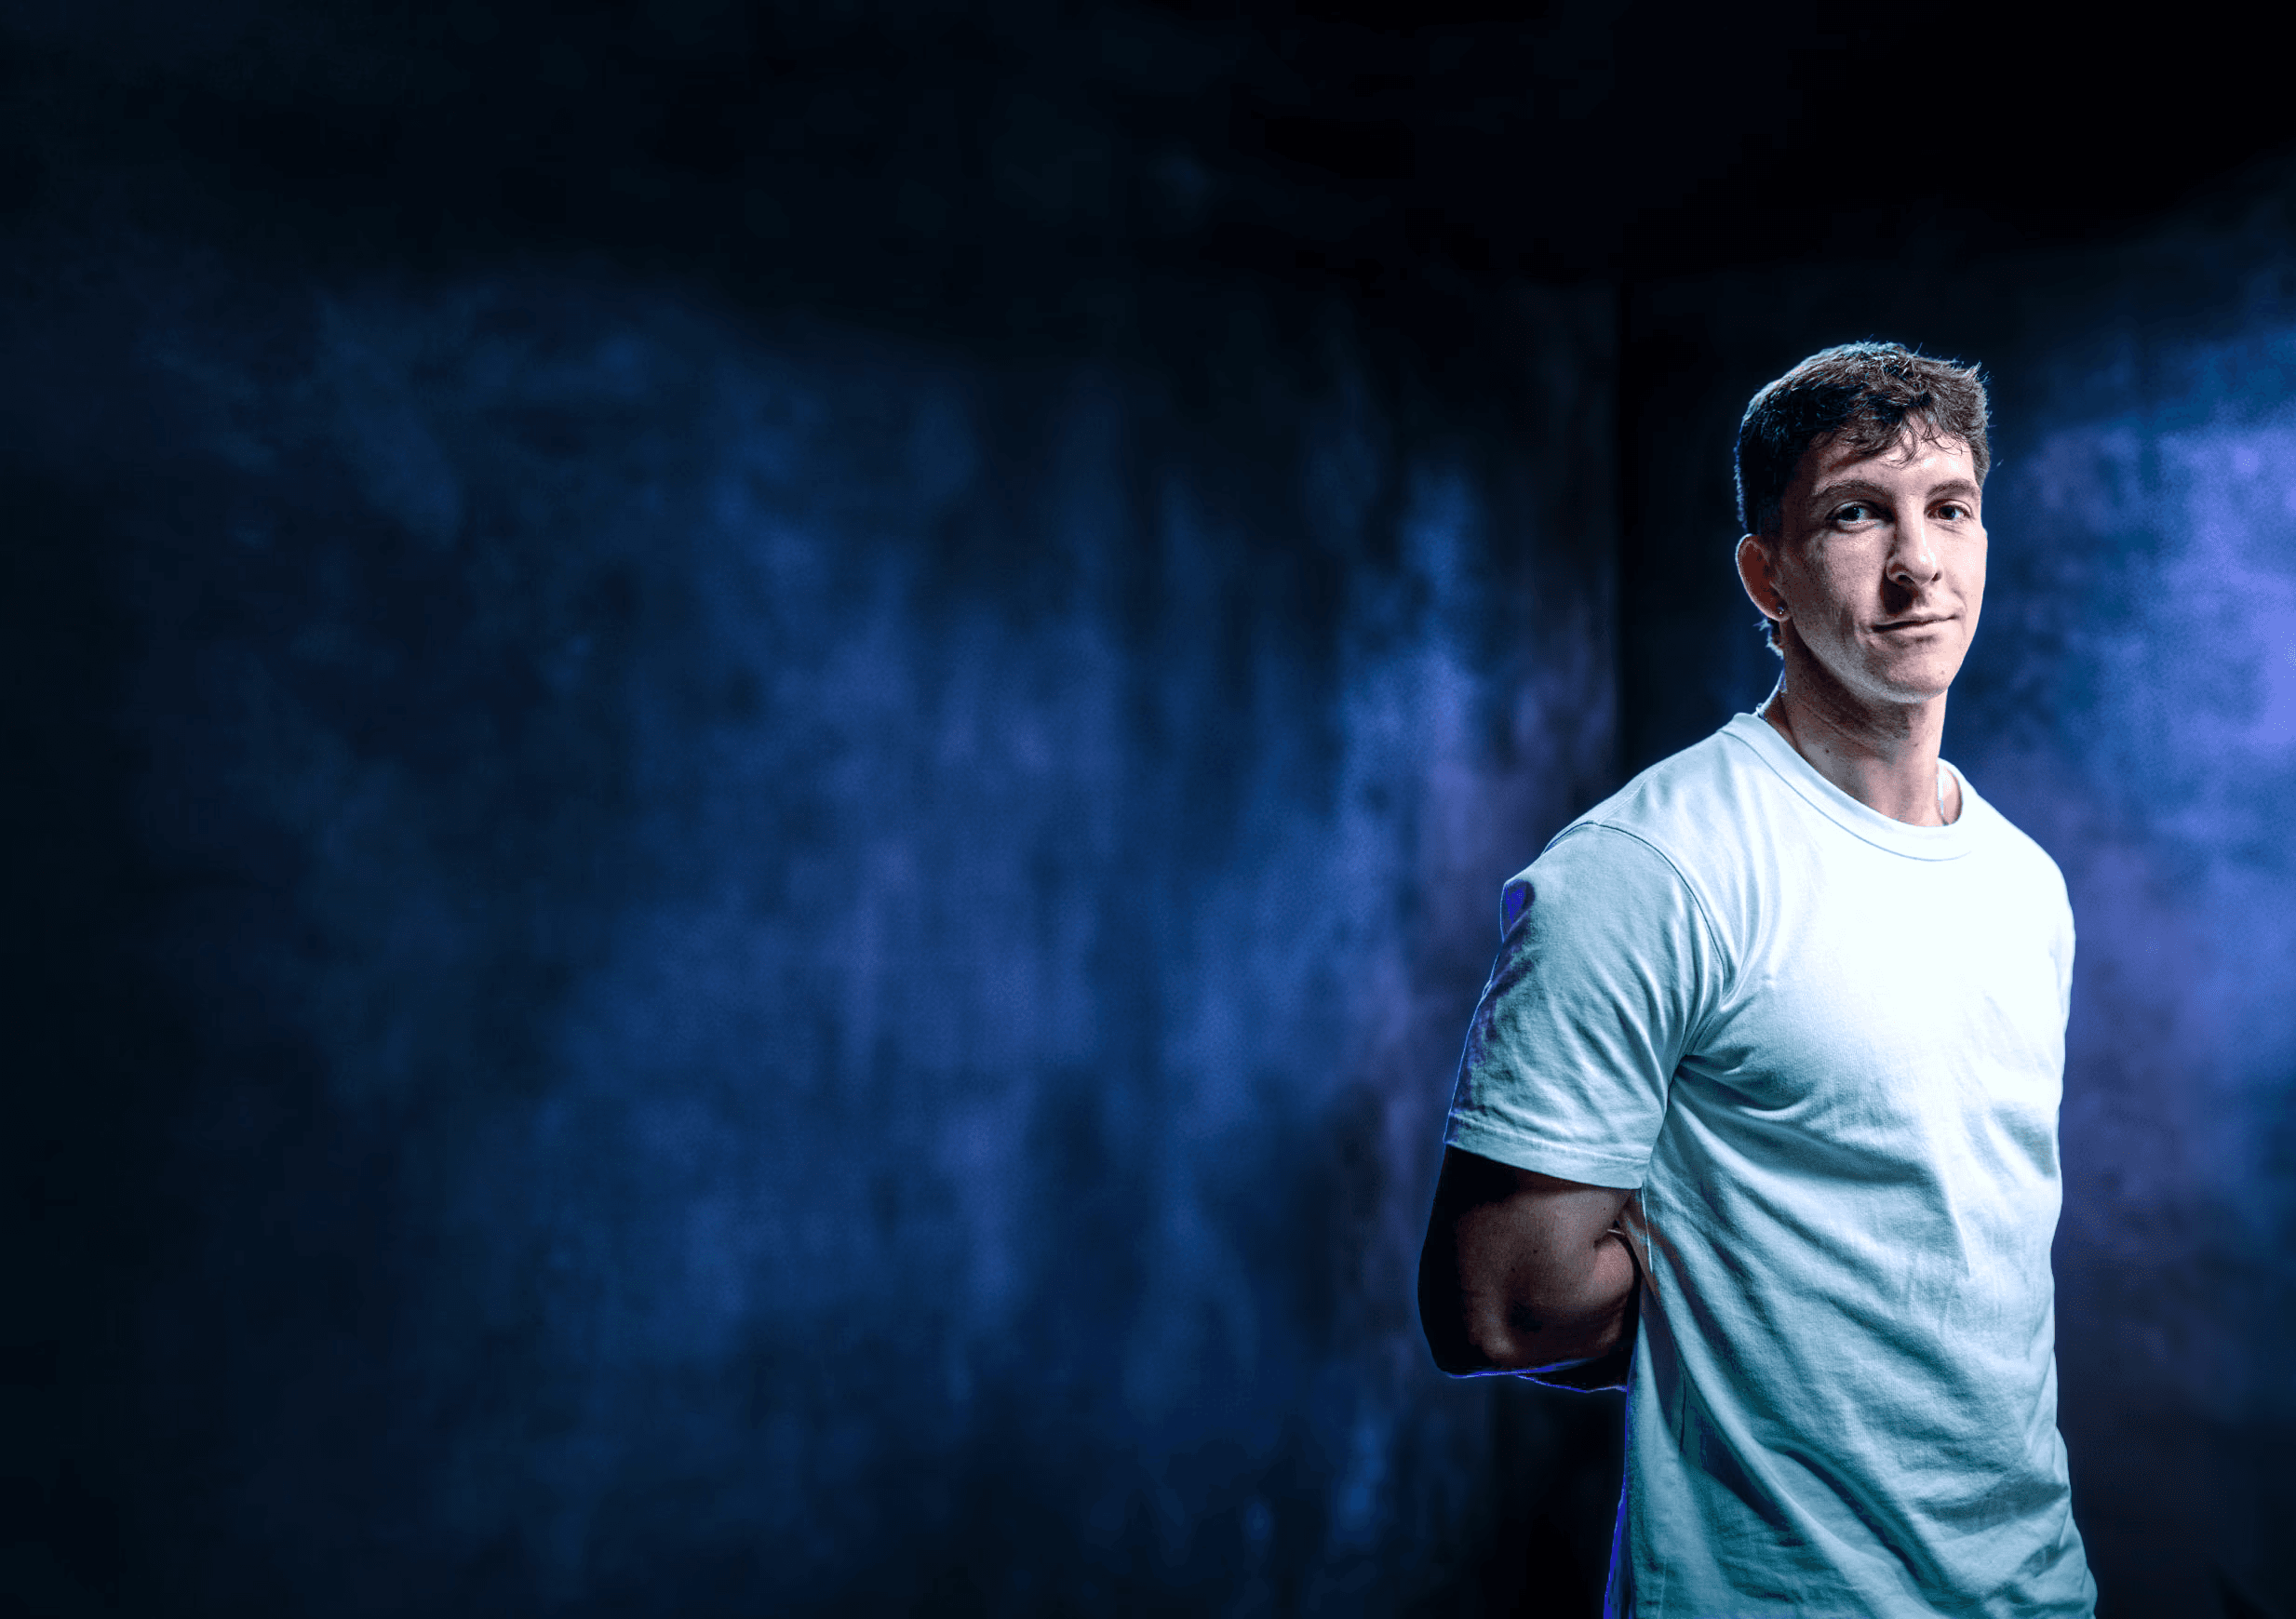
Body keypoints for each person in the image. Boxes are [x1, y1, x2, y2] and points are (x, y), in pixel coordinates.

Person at [1417, 342, 2094, 1616]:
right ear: (1764, 574)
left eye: (1947, 508)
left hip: (2033, 1590)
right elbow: (1501, 1308)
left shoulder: (2025, 884)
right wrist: (1746, 1313)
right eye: (1854, 514)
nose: (1916, 565)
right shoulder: (1648, 866)